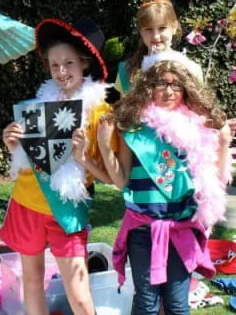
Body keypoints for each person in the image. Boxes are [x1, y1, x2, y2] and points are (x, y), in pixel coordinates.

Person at [0, 17, 116, 315]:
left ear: (84, 64)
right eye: (54, 66)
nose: (61, 72)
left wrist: (83, 158)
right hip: (27, 203)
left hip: (66, 210)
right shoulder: (38, 103)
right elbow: (29, 159)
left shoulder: (100, 111)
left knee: (78, 295)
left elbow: (113, 177)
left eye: (69, 64)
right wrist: (13, 143)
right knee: (32, 282)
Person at [97, 59, 232, 315]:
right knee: (146, 304)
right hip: (143, 231)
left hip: (183, 231)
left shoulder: (197, 131)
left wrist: (224, 141)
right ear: (148, 88)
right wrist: (105, 145)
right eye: (161, 84)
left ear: (187, 90)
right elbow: (121, 180)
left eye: (176, 85)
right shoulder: (133, 129)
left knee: (177, 305)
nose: (169, 91)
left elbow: (212, 181)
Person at [114, 0, 203, 94]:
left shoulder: (191, 69)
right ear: (140, 32)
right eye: (148, 29)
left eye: (162, 28)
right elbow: (123, 108)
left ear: (174, 27)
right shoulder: (126, 71)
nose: (156, 36)